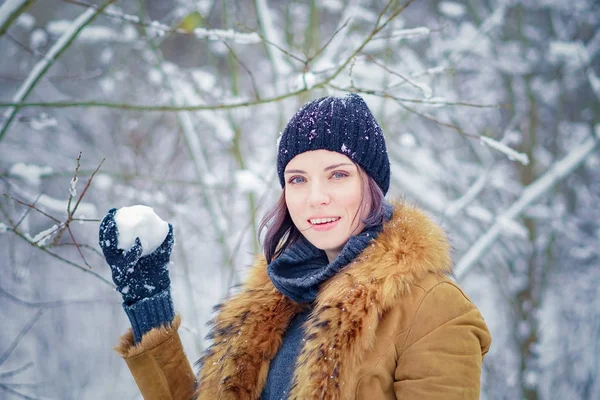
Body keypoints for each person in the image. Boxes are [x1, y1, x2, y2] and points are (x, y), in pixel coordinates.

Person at [99, 93, 491, 400]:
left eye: (337, 174)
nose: (315, 197)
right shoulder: (273, 300)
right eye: (298, 179)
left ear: (370, 185)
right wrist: (149, 304)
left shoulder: (434, 309)